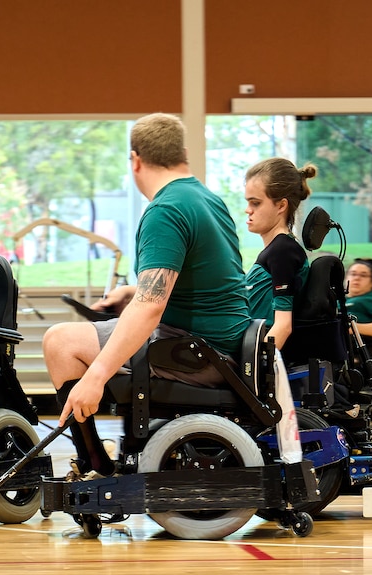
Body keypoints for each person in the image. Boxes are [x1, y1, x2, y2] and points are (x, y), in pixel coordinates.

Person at [43, 112, 251, 479]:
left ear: (136, 160)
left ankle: (95, 465)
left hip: (196, 352)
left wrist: (95, 378)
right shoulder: (207, 198)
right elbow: (197, 279)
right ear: (182, 153)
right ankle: (97, 459)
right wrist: (131, 290)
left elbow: (151, 306)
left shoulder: (166, 210)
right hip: (221, 341)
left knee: (60, 342)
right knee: (88, 333)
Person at [243, 158, 315, 350]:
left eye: (255, 203)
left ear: (281, 206)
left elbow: (283, 325)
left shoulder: (283, 251)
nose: (247, 210)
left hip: (256, 356)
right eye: (248, 202)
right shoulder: (277, 249)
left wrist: (255, 370)